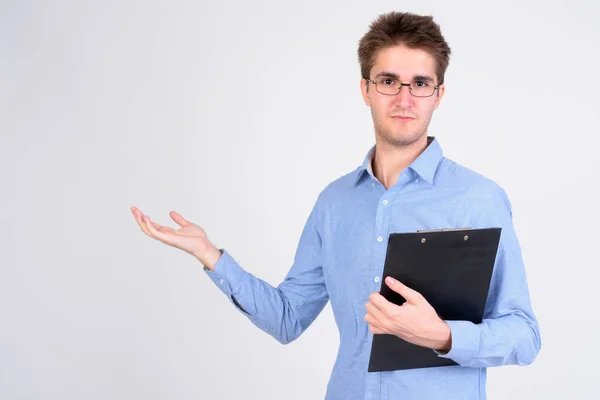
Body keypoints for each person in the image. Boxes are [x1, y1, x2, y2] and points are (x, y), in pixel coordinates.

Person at [131, 11, 541, 400]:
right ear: (365, 89)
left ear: (439, 94)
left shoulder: (478, 199)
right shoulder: (335, 202)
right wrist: (211, 256)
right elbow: (288, 318)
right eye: (388, 81)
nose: (404, 97)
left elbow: (523, 334)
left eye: (420, 82)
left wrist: (442, 335)